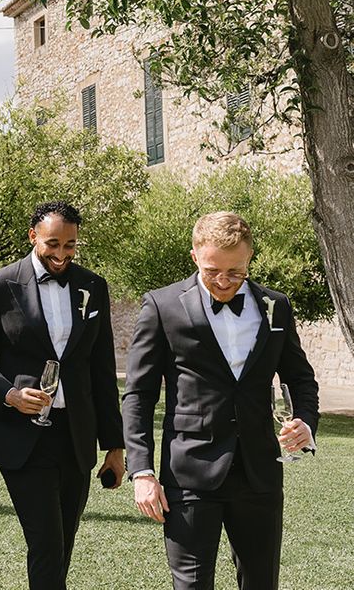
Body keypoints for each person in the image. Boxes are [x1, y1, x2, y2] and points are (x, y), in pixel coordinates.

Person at [123, 210, 319, 590]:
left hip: (260, 473)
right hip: (189, 473)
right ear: (195, 256)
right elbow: (139, 395)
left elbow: (300, 377)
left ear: (249, 259)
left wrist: (306, 422)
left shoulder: (276, 307)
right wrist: (142, 471)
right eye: (213, 271)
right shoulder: (162, 306)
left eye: (236, 272)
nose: (224, 282)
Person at [0, 200, 125, 590]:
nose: (61, 255)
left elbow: (101, 373)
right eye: (53, 244)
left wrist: (114, 446)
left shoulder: (92, 286)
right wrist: (11, 395)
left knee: (63, 543)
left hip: (75, 436)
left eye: (70, 246)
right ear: (33, 236)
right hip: (22, 438)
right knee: (47, 542)